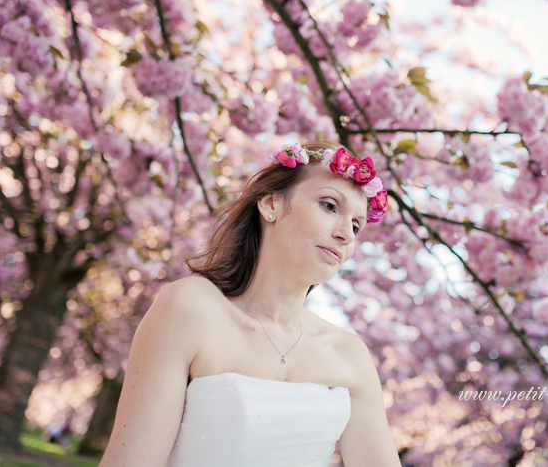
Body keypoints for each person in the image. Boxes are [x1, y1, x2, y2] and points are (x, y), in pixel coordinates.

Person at [99, 140, 401, 466]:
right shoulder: (190, 308)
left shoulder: (350, 355)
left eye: (356, 225)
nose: (346, 233)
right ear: (271, 204)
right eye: (329, 206)